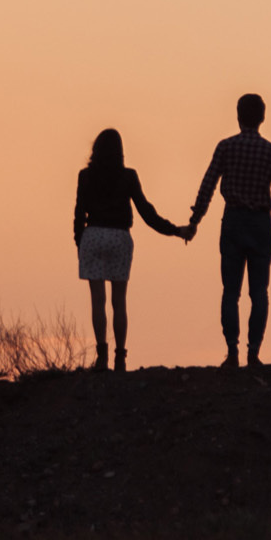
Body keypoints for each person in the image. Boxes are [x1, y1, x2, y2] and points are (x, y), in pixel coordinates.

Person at [181, 92, 271, 368]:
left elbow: (207, 185)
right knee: (259, 292)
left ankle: (232, 351)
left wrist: (195, 220)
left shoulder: (226, 147)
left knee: (231, 291)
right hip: (261, 224)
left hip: (234, 221)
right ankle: (253, 352)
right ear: (262, 118)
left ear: (238, 116)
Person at [71, 127, 184, 371]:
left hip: (93, 236)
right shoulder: (128, 177)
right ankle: (120, 356)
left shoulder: (85, 176)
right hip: (120, 237)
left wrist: (80, 242)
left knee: (97, 302)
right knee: (119, 301)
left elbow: (79, 212)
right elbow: (147, 212)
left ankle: (102, 356)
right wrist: (175, 230)